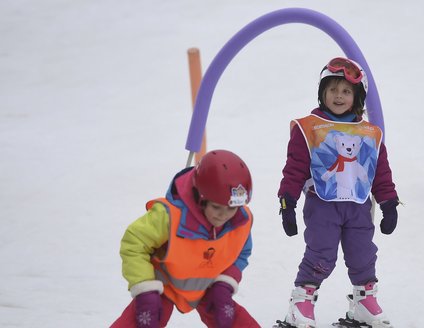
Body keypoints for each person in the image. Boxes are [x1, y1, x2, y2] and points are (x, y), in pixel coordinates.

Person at [277, 57, 399, 327]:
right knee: (321, 254)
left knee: (363, 254)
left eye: (346, 91)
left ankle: (364, 301)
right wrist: (288, 202)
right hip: (323, 206)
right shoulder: (309, 128)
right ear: (322, 93)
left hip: (359, 208)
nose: (339, 96)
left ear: (357, 96)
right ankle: (302, 301)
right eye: (332, 89)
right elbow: (295, 167)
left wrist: (389, 202)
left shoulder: (369, 132)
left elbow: (380, 170)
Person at [110, 150, 260, 328]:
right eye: (216, 207)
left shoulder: (241, 221)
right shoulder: (169, 216)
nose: (223, 215)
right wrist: (145, 290)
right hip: (164, 285)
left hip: (209, 287)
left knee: (234, 321)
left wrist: (224, 284)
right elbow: (134, 243)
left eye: (231, 208)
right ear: (201, 197)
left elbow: (242, 252)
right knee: (141, 322)